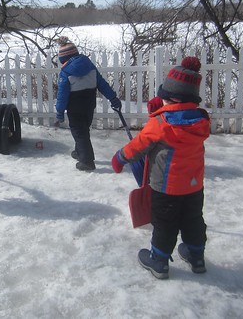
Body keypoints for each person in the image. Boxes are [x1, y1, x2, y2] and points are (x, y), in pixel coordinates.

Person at [111, 57, 210, 279]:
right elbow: (178, 121)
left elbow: (139, 146)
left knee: (165, 224)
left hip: (166, 189)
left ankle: (159, 261)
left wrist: (120, 158)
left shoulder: (161, 122)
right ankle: (196, 256)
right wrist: (159, 113)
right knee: (193, 220)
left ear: (170, 97)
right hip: (194, 186)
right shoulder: (200, 120)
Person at [55, 37, 122, 171]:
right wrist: (113, 98)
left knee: (79, 133)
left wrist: (59, 112)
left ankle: (87, 161)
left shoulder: (65, 72)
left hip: (75, 107)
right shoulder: (89, 65)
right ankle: (80, 152)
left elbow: (62, 95)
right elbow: (101, 83)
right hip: (89, 104)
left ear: (63, 59)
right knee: (83, 130)